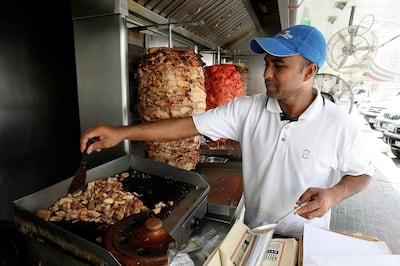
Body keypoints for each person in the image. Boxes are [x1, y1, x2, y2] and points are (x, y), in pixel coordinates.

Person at [80, 24, 374, 238]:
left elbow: (362, 174)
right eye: (267, 63)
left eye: (279, 65)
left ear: (309, 72)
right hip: (255, 231)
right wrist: (122, 133)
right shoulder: (247, 109)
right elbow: (186, 126)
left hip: (307, 240)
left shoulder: (338, 124)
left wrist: (333, 195)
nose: (267, 74)